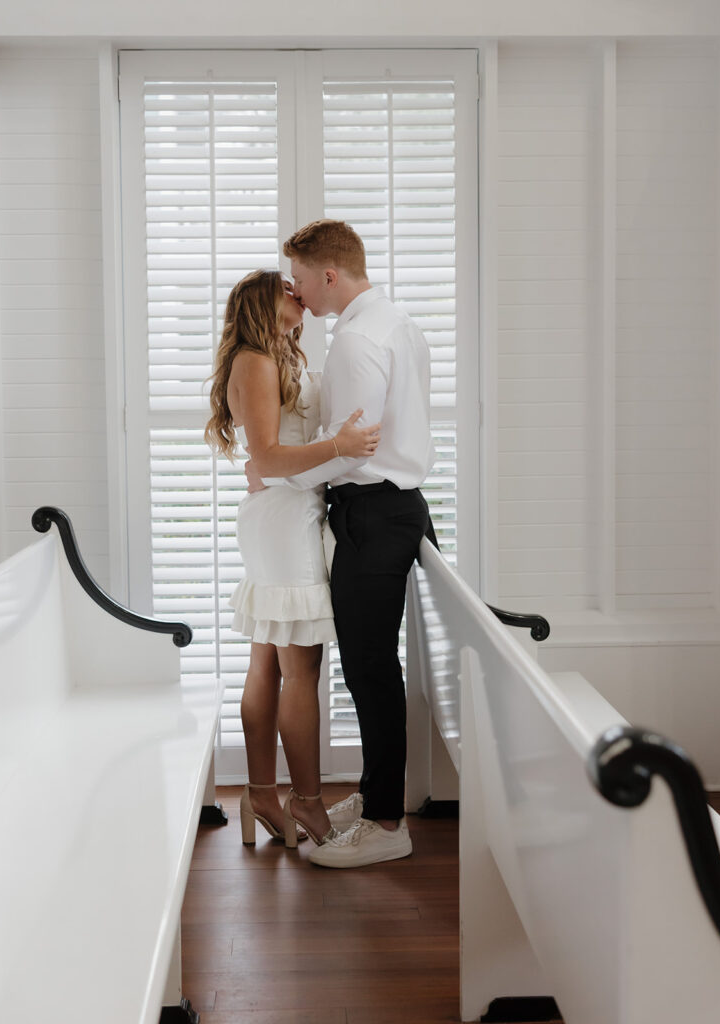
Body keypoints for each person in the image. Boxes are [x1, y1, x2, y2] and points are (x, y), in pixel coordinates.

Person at [248, 220, 435, 868]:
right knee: (372, 668)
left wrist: (278, 473)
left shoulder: (356, 341)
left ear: (328, 274)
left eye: (299, 278)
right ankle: (375, 795)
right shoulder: (398, 323)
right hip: (398, 506)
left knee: (369, 670)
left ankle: (386, 824)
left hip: (371, 512)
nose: (296, 292)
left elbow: (352, 453)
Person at [205, 269, 381, 849]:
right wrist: (341, 447)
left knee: (269, 664)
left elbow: (272, 456)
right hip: (285, 522)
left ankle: (261, 793)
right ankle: (305, 800)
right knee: (299, 670)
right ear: (264, 299)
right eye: (287, 284)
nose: (297, 291)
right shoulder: (255, 360)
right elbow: (271, 457)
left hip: (283, 515)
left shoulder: (274, 354)